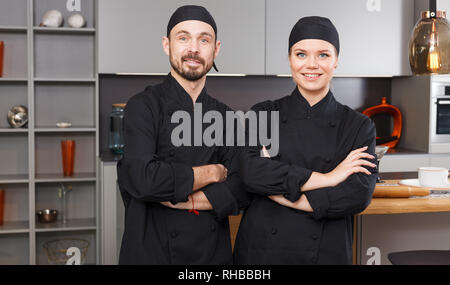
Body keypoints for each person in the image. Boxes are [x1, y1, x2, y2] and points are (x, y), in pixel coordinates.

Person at [233, 16, 378, 265]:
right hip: (263, 250)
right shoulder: (263, 113)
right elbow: (252, 173)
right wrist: (329, 178)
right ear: (290, 59)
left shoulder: (358, 125)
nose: (311, 65)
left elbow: (358, 193)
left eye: (323, 55)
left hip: (325, 250)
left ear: (336, 61)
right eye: (301, 54)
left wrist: (283, 193)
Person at [116, 5, 249, 265]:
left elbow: (241, 188)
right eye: (183, 37)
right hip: (152, 252)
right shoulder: (142, 106)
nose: (194, 49)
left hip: (211, 257)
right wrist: (210, 173)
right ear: (167, 45)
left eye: (204, 39)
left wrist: (184, 200)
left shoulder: (226, 117)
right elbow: (144, 179)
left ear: (216, 49)